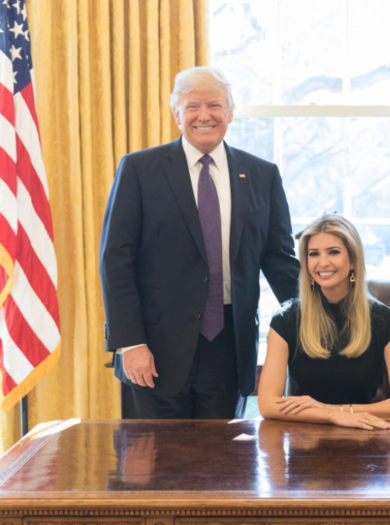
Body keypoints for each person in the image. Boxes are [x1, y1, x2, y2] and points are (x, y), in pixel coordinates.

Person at [100, 66, 300, 419]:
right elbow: (115, 261)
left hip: (230, 345)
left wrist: (323, 318)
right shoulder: (138, 169)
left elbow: (280, 261)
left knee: (224, 467)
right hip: (153, 349)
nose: (204, 115)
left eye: (215, 105)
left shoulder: (261, 175)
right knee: (152, 468)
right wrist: (130, 343)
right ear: (176, 113)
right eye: (192, 106)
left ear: (231, 112)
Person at [258, 214, 390, 429]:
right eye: (313, 254)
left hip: (364, 440)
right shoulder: (286, 319)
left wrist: (334, 410)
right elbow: (267, 405)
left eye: (333, 252)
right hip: (303, 443)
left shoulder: (384, 320)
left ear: (352, 260)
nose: (323, 263)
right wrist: (330, 416)